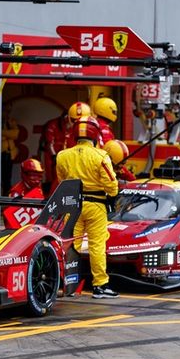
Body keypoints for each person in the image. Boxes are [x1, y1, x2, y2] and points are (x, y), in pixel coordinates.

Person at [56, 116, 118, 299]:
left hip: (72, 205)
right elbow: (112, 185)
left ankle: (65, 283)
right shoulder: (100, 156)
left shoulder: (62, 155)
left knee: (69, 244)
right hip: (96, 205)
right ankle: (100, 286)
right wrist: (112, 198)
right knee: (97, 245)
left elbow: (62, 180)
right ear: (95, 134)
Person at [3, 158, 45, 228]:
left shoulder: (38, 188)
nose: (37, 180)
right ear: (24, 174)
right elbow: (10, 221)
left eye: (39, 176)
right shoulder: (16, 192)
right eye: (33, 175)